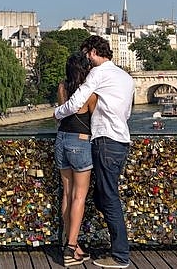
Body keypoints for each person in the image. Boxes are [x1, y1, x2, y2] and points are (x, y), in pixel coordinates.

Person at [54, 35, 134, 269]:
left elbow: (75, 101)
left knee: (105, 198)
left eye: (87, 53)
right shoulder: (126, 77)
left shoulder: (97, 74)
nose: (87, 60)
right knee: (104, 196)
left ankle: (119, 255)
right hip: (120, 139)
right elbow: (127, 112)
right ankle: (78, 245)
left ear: (91, 51)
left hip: (103, 140)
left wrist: (57, 114)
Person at [54, 52, 98, 267]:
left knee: (67, 194)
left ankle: (74, 244)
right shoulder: (89, 93)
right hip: (80, 143)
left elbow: (62, 113)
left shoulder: (62, 87)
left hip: (61, 139)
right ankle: (70, 248)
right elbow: (96, 119)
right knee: (79, 197)